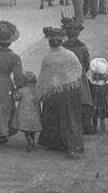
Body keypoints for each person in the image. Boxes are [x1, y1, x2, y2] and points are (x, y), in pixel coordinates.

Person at [36, 26, 85, 158]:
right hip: (71, 91)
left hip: (53, 94)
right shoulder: (70, 55)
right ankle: (73, 145)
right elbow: (78, 70)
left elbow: (44, 78)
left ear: (49, 42)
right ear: (62, 41)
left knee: (53, 117)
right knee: (70, 118)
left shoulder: (48, 58)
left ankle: (55, 143)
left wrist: (41, 92)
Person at [12, 71, 41, 151]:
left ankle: (29, 140)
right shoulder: (37, 91)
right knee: (33, 128)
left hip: (24, 113)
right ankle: (33, 140)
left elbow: (15, 98)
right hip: (35, 113)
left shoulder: (22, 90)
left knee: (26, 128)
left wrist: (14, 92)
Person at [86, 58, 108, 133]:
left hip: (94, 101)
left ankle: (94, 128)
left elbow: (88, 90)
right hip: (104, 101)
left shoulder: (90, 80)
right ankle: (103, 127)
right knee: (102, 115)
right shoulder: (107, 81)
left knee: (94, 115)